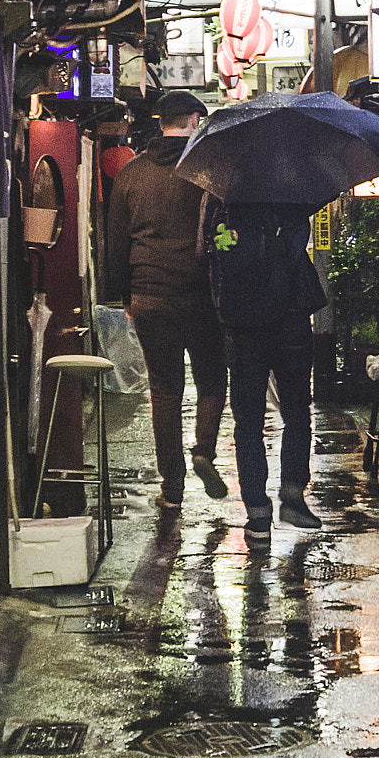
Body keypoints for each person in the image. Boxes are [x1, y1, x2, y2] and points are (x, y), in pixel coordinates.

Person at [105, 91, 228, 509]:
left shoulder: (131, 173)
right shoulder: (209, 169)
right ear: (195, 120)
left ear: (160, 123)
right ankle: (203, 452)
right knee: (212, 379)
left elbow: (116, 244)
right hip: (203, 297)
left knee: (165, 389)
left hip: (149, 295)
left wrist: (126, 295)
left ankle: (171, 489)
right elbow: (225, 233)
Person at [203, 196, 326, 542]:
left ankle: (257, 515)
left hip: (244, 323)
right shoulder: (293, 194)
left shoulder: (224, 197)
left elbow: (209, 255)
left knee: (248, 423)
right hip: (291, 315)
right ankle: (292, 497)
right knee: (297, 411)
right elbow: (295, 245)